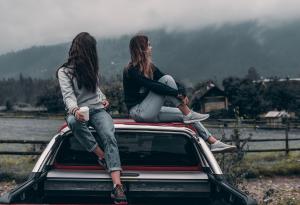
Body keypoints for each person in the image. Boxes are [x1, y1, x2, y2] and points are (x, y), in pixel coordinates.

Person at [123, 34, 236, 152]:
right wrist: (176, 94)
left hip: (150, 110)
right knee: (167, 80)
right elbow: (154, 86)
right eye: (149, 45)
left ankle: (213, 142)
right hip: (138, 112)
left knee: (184, 114)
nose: (151, 47)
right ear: (142, 48)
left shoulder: (149, 67)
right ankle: (188, 113)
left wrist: (182, 92)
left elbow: (166, 79)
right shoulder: (130, 70)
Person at [57, 32, 127, 205]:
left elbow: (96, 90)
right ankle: (102, 156)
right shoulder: (64, 71)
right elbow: (68, 96)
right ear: (86, 50)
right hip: (79, 111)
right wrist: (74, 111)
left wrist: (103, 99)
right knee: (72, 122)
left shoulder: (92, 68)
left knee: (109, 136)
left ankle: (117, 186)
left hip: (98, 110)